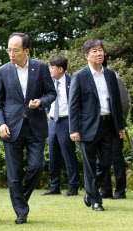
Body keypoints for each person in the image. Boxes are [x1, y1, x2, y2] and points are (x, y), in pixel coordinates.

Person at [0, 32, 56, 224]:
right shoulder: (2, 71)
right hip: (11, 127)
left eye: (16, 50)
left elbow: (51, 93)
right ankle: (21, 211)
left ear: (26, 51)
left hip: (35, 125)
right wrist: (1, 123)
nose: (11, 54)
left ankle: (20, 199)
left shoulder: (41, 67)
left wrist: (41, 102)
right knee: (14, 174)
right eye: (9, 49)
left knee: (38, 165)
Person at [68, 39, 125, 211]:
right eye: (94, 51)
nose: (99, 53)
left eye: (100, 50)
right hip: (87, 127)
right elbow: (73, 105)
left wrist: (120, 126)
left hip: (108, 125)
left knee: (106, 163)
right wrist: (74, 129)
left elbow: (116, 102)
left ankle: (90, 191)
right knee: (89, 165)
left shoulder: (110, 75)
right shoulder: (79, 76)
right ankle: (95, 200)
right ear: (87, 56)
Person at [42, 55, 80, 196]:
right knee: (53, 155)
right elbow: (45, 98)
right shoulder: (49, 82)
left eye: (52, 67)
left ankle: (73, 187)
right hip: (52, 121)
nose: (50, 70)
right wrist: (47, 112)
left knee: (69, 155)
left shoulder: (72, 81)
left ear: (60, 69)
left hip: (66, 121)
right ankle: (54, 186)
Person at [100, 60, 129, 200]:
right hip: (99, 125)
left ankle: (120, 190)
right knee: (101, 158)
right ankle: (105, 190)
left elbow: (123, 104)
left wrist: (121, 124)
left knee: (116, 157)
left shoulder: (114, 77)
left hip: (114, 124)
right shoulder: (93, 78)